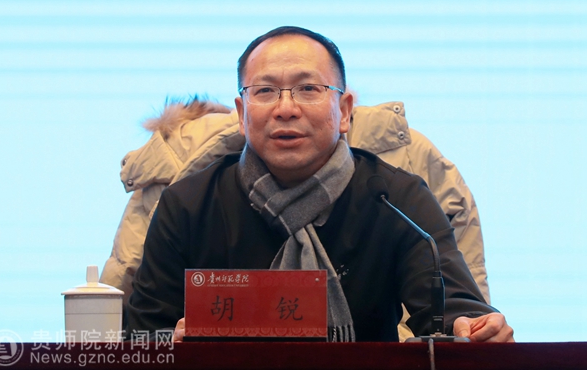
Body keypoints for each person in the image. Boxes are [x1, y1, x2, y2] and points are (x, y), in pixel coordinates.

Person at [123, 26, 513, 342]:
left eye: (308, 89)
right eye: (265, 91)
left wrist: (475, 328)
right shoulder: (189, 203)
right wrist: (170, 343)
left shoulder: (395, 198)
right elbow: (141, 334)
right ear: (241, 114)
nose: (285, 108)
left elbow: (454, 309)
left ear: (344, 111)